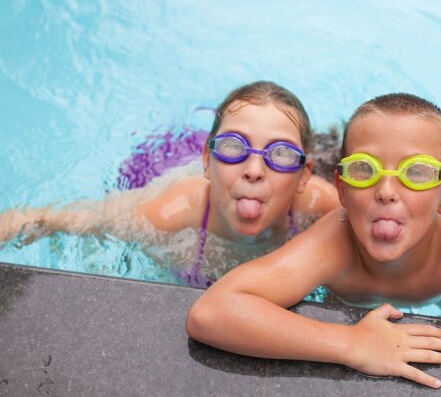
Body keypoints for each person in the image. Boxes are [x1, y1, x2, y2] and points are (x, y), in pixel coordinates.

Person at [185, 93, 441, 395]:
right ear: (340, 190)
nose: (387, 191)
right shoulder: (333, 239)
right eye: (364, 170)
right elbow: (211, 313)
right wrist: (351, 343)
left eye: (416, 173)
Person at [0, 81, 340, 286]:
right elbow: (54, 218)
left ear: (304, 175)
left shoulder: (319, 205)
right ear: (208, 161)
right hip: (162, 166)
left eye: (280, 154)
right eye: (234, 146)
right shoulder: (171, 212)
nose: (254, 170)